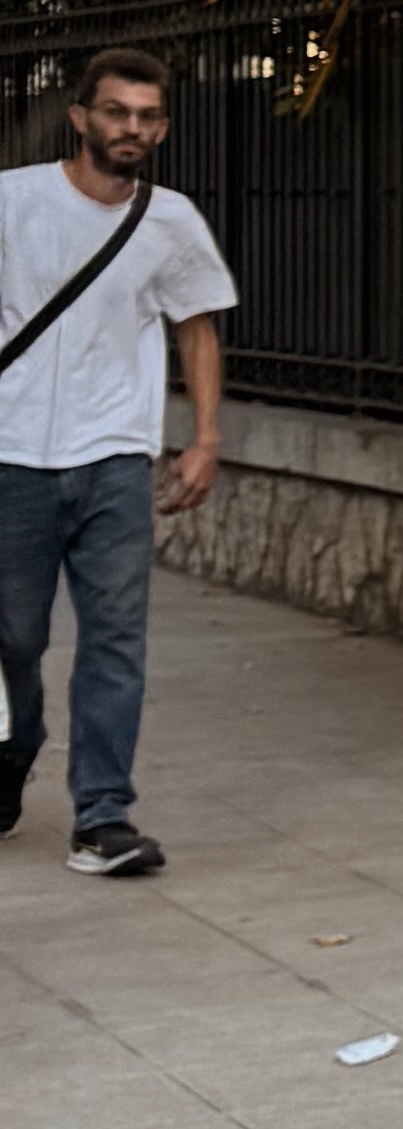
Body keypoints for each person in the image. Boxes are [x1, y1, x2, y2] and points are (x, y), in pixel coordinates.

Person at [0, 43, 234, 882]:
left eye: (146, 117)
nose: (130, 128)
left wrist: (204, 439)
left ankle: (103, 817)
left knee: (114, 641)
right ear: (81, 118)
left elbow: (197, 327)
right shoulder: (13, 202)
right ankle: (13, 748)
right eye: (115, 112)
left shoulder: (171, 221)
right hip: (12, 459)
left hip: (114, 461)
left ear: (161, 129)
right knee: (13, 640)